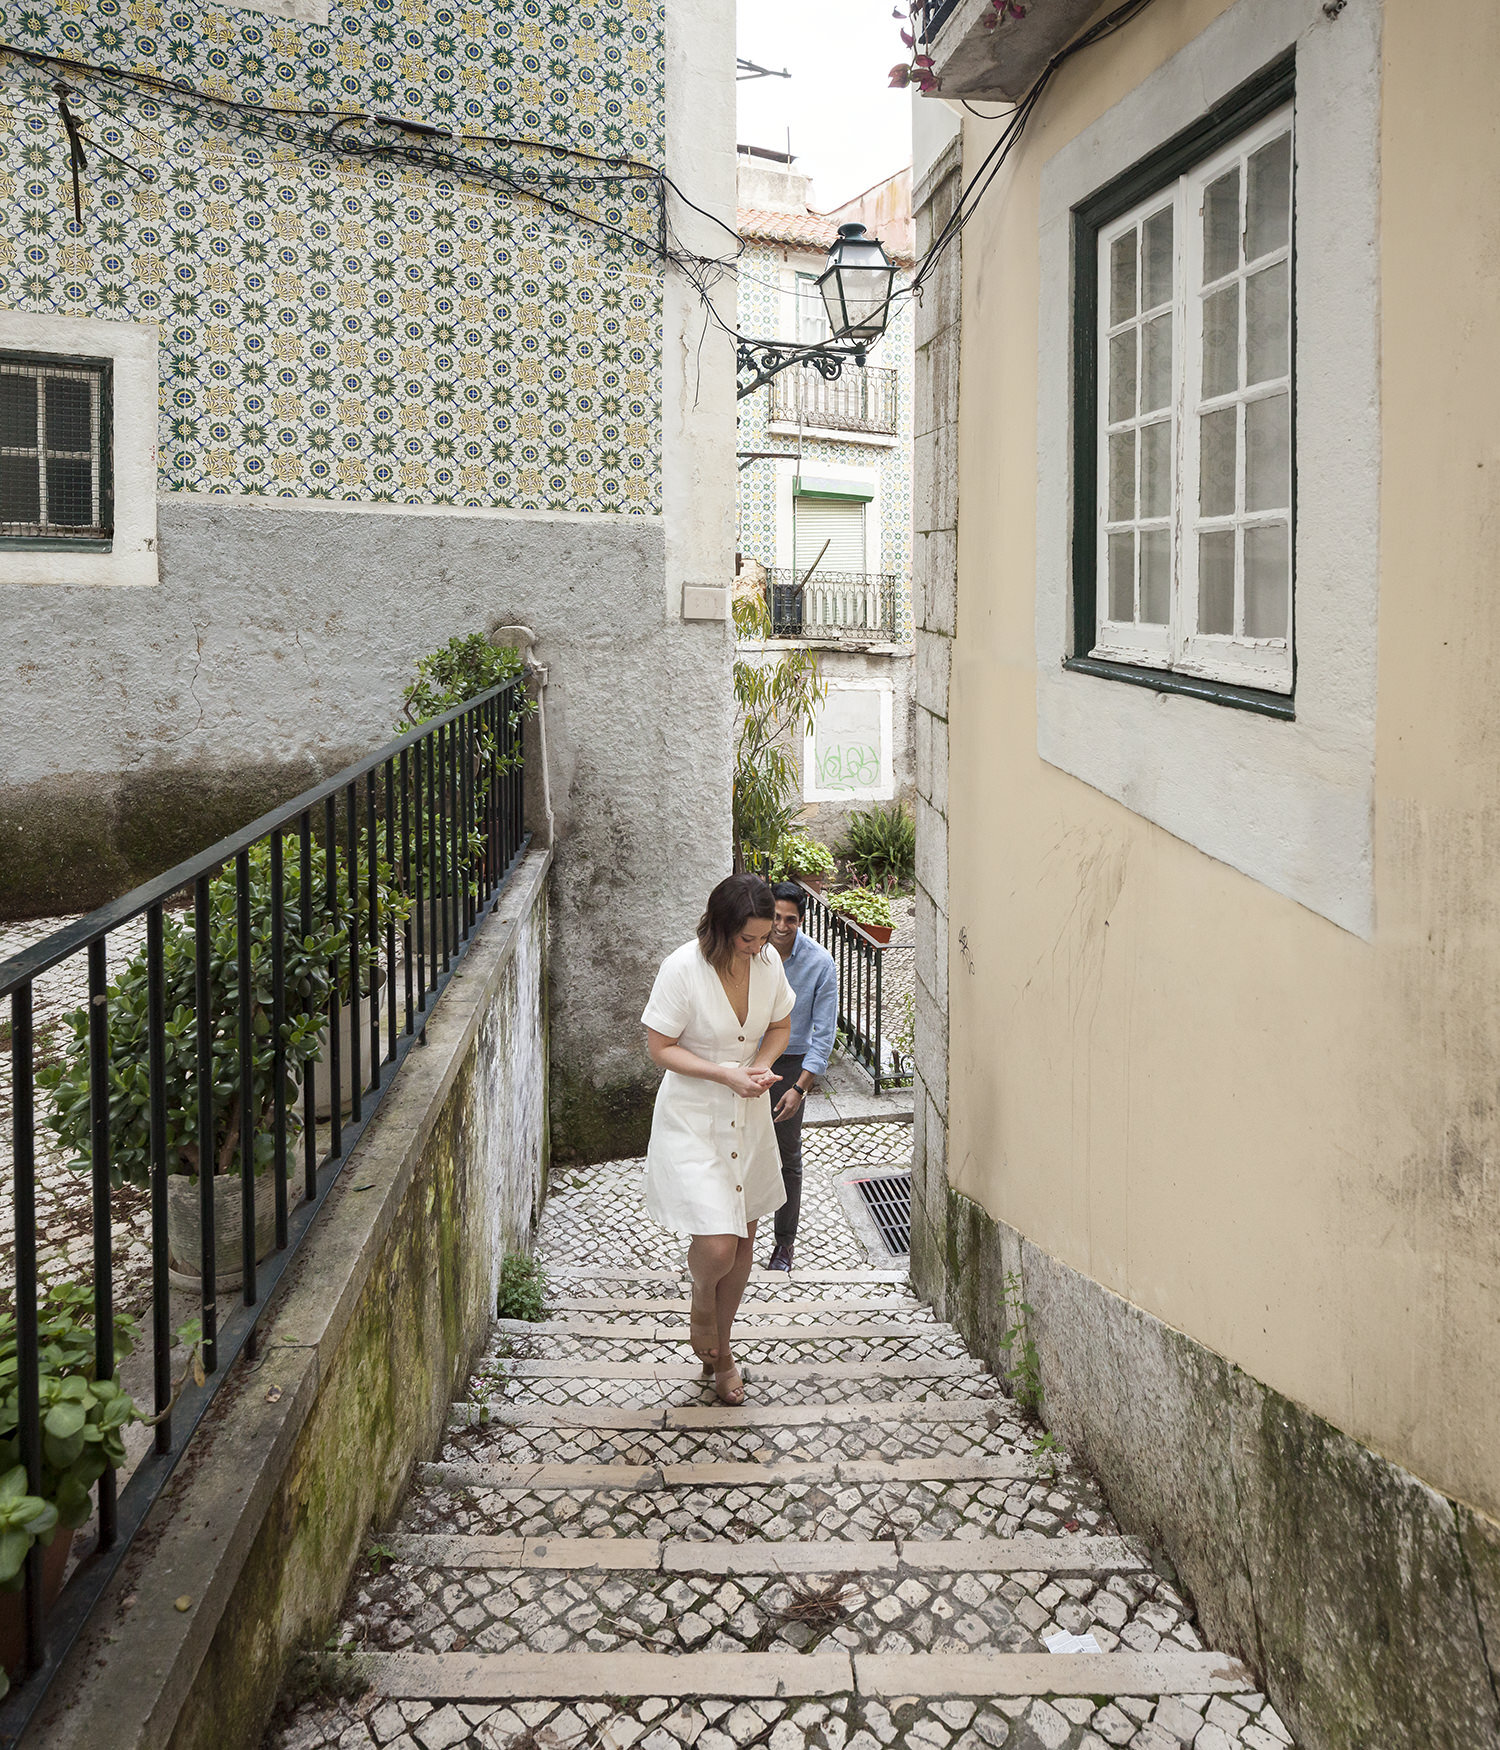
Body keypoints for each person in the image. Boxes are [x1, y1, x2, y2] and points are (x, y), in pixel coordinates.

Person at [641, 873, 795, 1405]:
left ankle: (721, 1353)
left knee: (746, 1242)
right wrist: (724, 1073)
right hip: (693, 1116)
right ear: (723, 927)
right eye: (748, 938)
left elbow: (780, 1025)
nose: (759, 948)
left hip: (747, 1115)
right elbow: (659, 1047)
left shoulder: (768, 963)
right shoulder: (682, 968)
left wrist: (759, 1066)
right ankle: (702, 1297)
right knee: (716, 1243)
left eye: (764, 937)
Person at [762, 882, 838, 1272]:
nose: (781, 925)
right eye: (775, 916)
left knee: (787, 1158)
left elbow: (823, 1035)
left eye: (790, 919)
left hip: (790, 1066)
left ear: (801, 921)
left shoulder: (820, 964)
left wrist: (799, 1088)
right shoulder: (750, 950)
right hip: (749, 1058)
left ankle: (783, 1246)